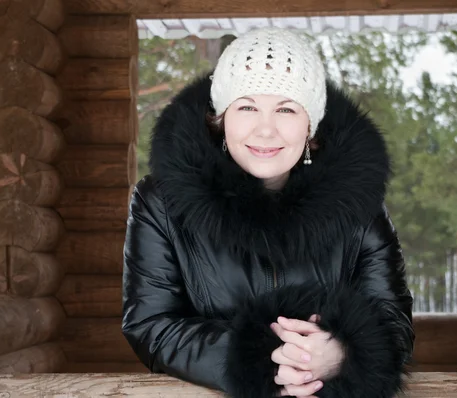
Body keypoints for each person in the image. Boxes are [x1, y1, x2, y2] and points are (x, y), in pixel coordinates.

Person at [122, 27, 415, 398]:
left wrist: (340, 355)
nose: (265, 129)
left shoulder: (359, 205)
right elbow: (151, 324)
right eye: (246, 106)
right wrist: (264, 358)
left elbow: (393, 323)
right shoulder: (160, 202)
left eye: (286, 109)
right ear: (221, 118)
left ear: (310, 126)